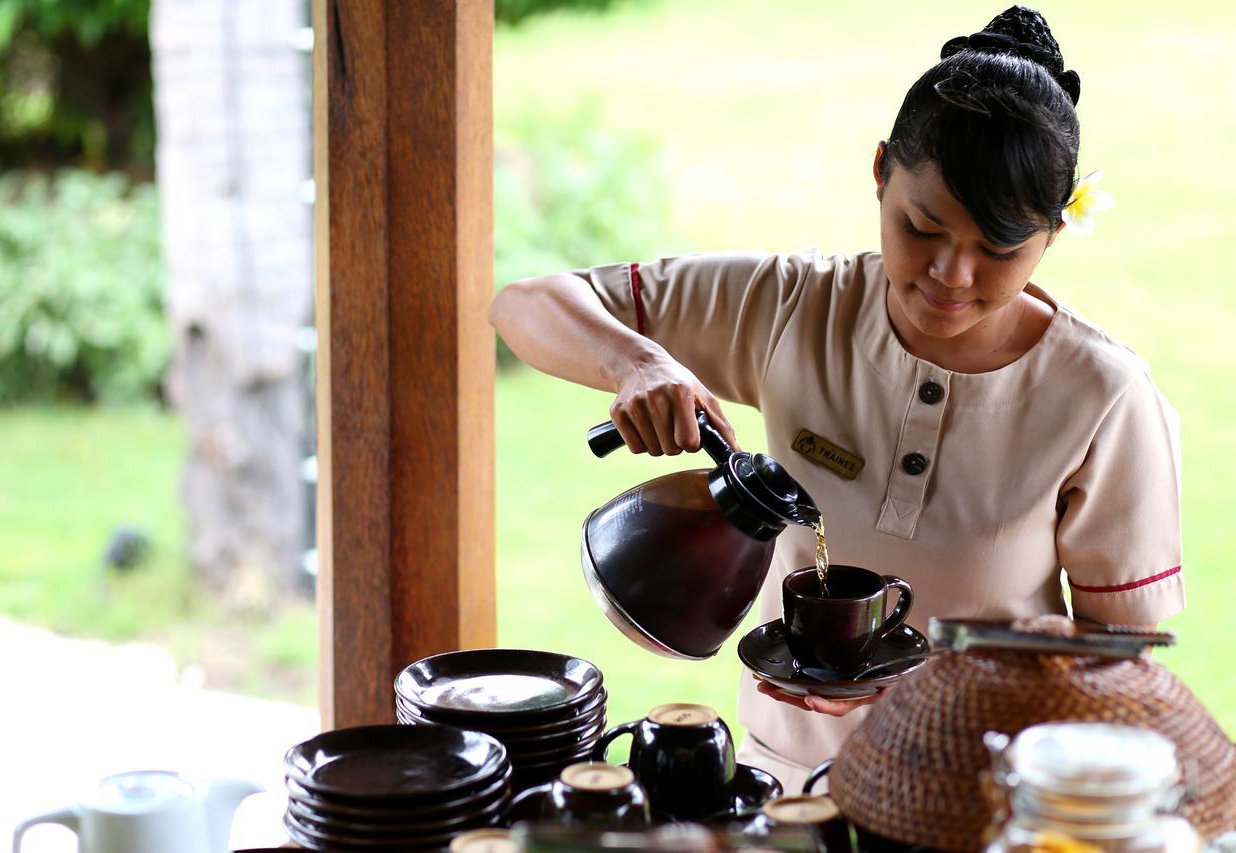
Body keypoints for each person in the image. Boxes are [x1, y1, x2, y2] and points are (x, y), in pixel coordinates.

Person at [488, 6, 1184, 792]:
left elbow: (1127, 670)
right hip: (781, 789)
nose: (951, 276)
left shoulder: (1103, 396)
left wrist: (985, 668)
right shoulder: (792, 306)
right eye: (922, 226)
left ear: (1053, 234)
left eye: (999, 250)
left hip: (982, 806)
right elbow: (525, 303)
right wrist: (638, 362)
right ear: (880, 171)